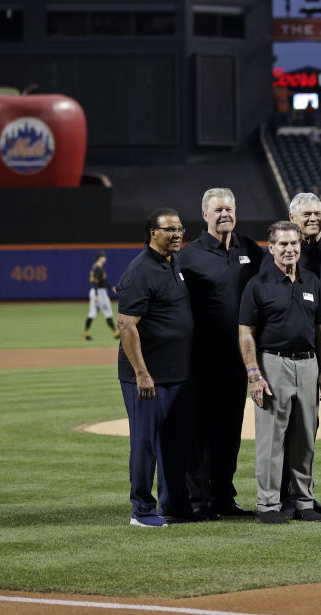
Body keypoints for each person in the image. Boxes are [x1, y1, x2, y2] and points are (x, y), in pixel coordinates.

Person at [239, 221, 321, 525]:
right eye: (283, 244)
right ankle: (268, 505)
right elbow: (246, 333)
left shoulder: (312, 282)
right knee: (271, 439)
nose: (290, 249)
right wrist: (254, 374)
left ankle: (304, 503)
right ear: (271, 247)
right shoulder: (258, 284)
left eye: (294, 243)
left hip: (308, 364)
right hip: (273, 363)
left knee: (305, 438)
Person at [178, 188, 263, 520]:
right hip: (201, 359)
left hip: (237, 360)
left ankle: (223, 496)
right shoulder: (189, 255)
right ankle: (197, 499)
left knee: (229, 430)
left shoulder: (251, 250)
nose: (225, 213)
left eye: (229, 208)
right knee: (199, 432)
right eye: (218, 209)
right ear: (205, 215)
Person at [116, 209, 195, 527]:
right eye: (169, 229)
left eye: (179, 228)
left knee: (173, 444)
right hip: (149, 377)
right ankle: (142, 510)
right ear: (152, 233)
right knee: (145, 443)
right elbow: (126, 325)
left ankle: (172, 505)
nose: (177, 234)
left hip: (176, 373)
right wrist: (141, 373)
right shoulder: (140, 270)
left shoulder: (172, 263)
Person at [84, 251, 119, 341]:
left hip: (96, 292)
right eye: (103, 257)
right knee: (108, 312)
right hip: (99, 293)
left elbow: (101, 282)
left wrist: (111, 288)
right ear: (100, 258)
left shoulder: (95, 267)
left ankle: (86, 334)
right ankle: (116, 333)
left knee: (92, 313)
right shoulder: (98, 269)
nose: (105, 258)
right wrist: (96, 295)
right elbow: (95, 282)